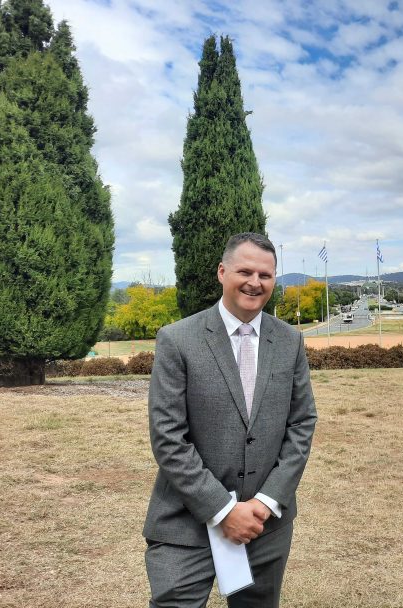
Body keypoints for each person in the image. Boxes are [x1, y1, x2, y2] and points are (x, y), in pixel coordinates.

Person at [143, 232, 317, 607]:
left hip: (263, 524)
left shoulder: (290, 341)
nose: (255, 282)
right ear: (222, 272)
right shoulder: (177, 340)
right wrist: (223, 510)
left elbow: (302, 423)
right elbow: (168, 437)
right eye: (245, 271)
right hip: (186, 522)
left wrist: (267, 501)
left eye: (266, 275)